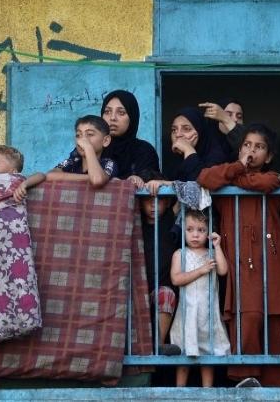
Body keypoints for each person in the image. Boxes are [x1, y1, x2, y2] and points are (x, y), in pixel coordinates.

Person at [197, 123, 280, 387]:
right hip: (240, 262)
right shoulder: (227, 178)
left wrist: (234, 178)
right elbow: (205, 178)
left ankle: (274, 384)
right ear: (239, 149)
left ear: (268, 156)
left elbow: (269, 181)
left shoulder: (272, 179)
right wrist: (237, 169)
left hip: (269, 261)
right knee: (246, 316)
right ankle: (246, 379)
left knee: (274, 315)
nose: (252, 151)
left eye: (259, 147)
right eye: (247, 145)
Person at [169, 210, 230, 387]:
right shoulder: (180, 254)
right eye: (190, 229)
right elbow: (176, 279)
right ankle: (179, 393)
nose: (195, 234)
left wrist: (217, 246)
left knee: (207, 352)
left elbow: (223, 270)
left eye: (201, 230)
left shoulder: (211, 254)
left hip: (207, 312)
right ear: (183, 230)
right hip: (188, 311)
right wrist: (200, 271)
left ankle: (207, 393)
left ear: (209, 232)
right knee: (184, 353)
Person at [137, 169, 181, 354]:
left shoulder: (170, 219)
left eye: (159, 200)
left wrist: (166, 186)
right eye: (148, 200)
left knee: (166, 295)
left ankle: (158, 345)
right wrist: (134, 182)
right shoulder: (134, 220)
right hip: (137, 288)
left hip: (160, 287)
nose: (153, 206)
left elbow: (190, 188)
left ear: (168, 201)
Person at [100, 90, 160, 187]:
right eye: (107, 112)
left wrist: (138, 180)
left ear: (132, 117)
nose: (112, 118)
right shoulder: (94, 147)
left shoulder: (144, 151)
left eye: (121, 112)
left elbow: (152, 189)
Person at [46, 115, 115, 189]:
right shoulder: (73, 161)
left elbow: (97, 180)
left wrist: (88, 148)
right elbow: (49, 175)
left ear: (105, 141)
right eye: (78, 135)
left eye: (89, 134)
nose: (82, 139)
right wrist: (88, 178)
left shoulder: (108, 163)